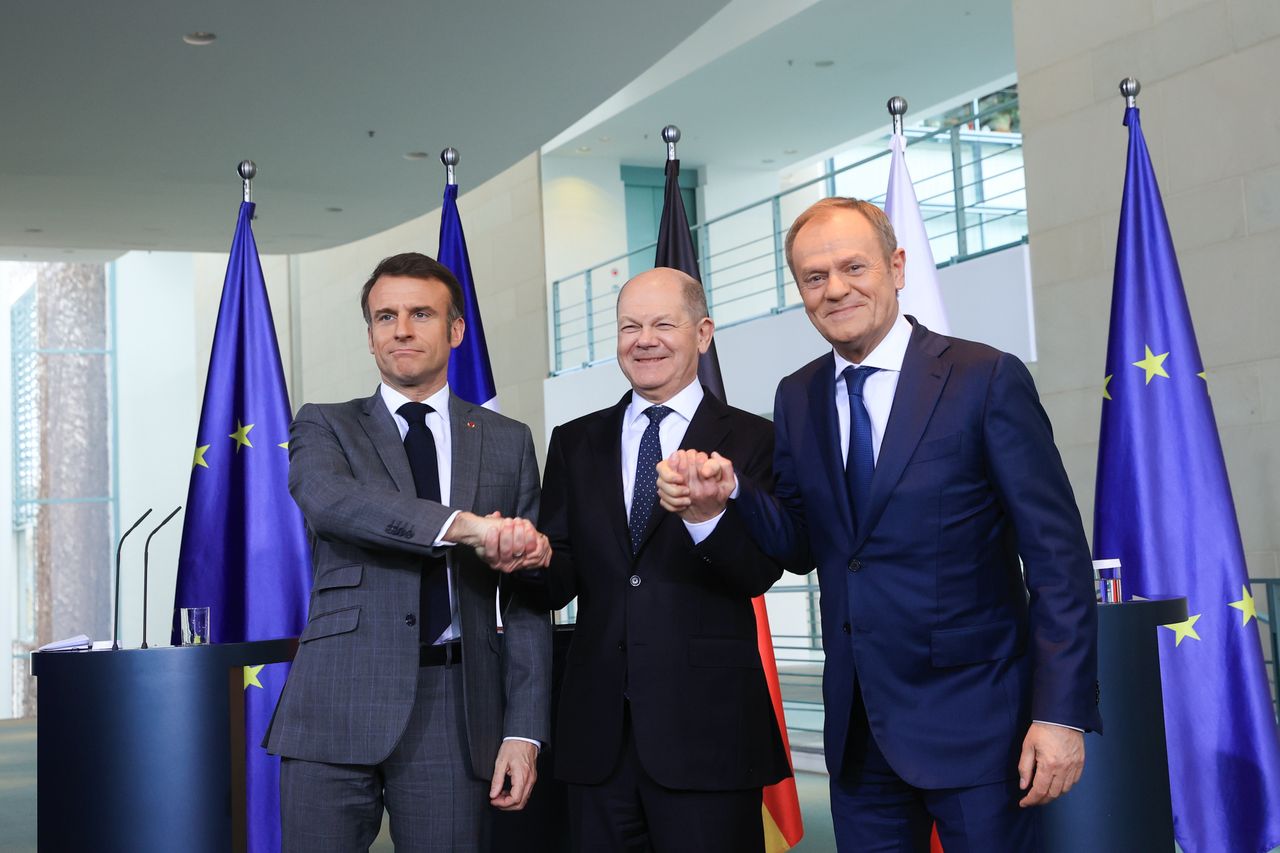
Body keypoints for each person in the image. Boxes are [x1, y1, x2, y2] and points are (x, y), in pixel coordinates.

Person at [658, 199, 1101, 852]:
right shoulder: (797, 395)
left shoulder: (985, 378)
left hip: (982, 731)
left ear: (896, 266)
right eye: (814, 276)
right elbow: (805, 545)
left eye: (852, 266)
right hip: (861, 737)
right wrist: (731, 495)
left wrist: (1060, 713)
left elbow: (1058, 559)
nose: (834, 288)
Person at [264, 252, 552, 853]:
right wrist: (464, 527)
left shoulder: (506, 441)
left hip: (456, 711)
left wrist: (524, 731)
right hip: (334, 703)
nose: (401, 329)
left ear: (455, 331)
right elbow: (332, 502)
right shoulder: (325, 426)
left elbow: (527, 604)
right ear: (370, 336)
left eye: (421, 313)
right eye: (384, 316)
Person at [507, 267, 791, 852]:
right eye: (629, 326)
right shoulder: (575, 441)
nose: (645, 339)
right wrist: (526, 558)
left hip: (708, 734)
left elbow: (761, 570)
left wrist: (705, 517)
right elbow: (557, 580)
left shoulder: (753, 439)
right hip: (597, 736)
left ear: (703, 333)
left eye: (664, 323)